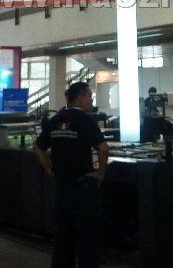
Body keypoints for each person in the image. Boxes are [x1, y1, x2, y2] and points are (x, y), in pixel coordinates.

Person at [34, 82, 109, 268]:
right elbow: (103, 148)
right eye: (89, 96)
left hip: (62, 189)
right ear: (80, 98)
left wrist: (49, 169)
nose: (91, 100)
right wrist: (101, 172)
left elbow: (38, 147)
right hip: (83, 189)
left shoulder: (56, 119)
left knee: (63, 239)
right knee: (88, 241)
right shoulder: (85, 120)